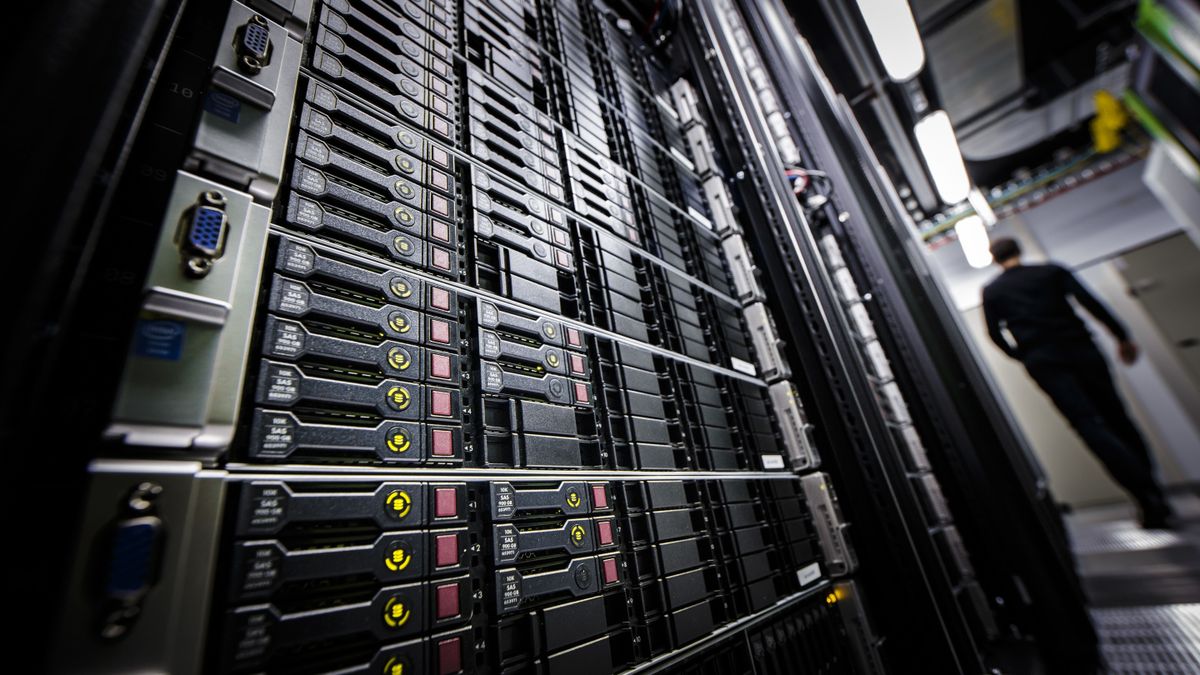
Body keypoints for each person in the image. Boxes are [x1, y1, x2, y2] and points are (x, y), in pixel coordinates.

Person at [981, 237, 1174, 529]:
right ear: (1018, 251)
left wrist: (1024, 355)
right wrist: (1121, 336)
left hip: (1044, 361)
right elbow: (1092, 303)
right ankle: (1154, 491)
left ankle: (1144, 494)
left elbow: (995, 335)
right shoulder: (1051, 272)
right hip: (1081, 349)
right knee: (1118, 418)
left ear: (994, 259)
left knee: (1089, 426)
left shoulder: (993, 290)